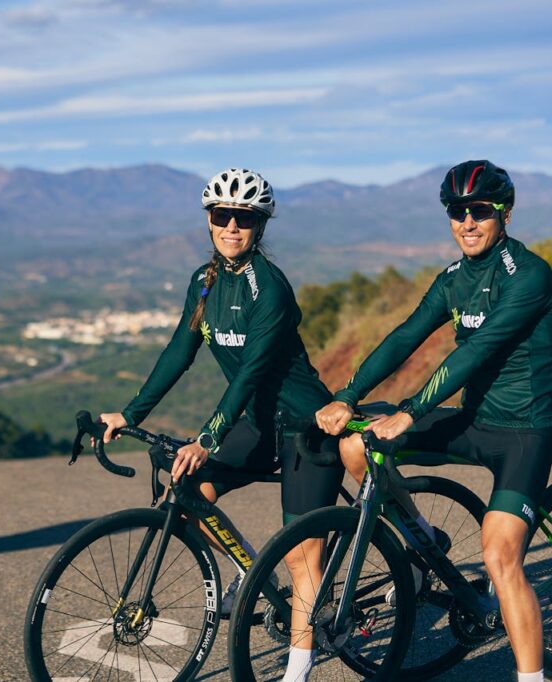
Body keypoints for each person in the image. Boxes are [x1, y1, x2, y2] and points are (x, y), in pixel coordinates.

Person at [315, 160, 552, 682]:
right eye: (456, 211)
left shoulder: (530, 275)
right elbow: (407, 337)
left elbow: (474, 355)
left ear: (505, 214)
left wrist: (410, 411)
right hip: (475, 420)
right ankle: (424, 540)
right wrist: (348, 395)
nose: (467, 222)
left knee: (499, 555)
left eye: (479, 211)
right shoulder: (453, 279)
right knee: (358, 447)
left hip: (525, 431)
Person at [99, 168, 343, 682]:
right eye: (221, 216)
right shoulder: (204, 282)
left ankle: (298, 671)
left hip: (304, 425)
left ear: (260, 224)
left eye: (244, 218)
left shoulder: (269, 288)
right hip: (255, 421)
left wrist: (207, 438)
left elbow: (252, 372)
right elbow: (179, 352)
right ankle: (256, 574)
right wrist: (132, 412)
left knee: (304, 557)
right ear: (209, 221)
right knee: (188, 498)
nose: (232, 226)